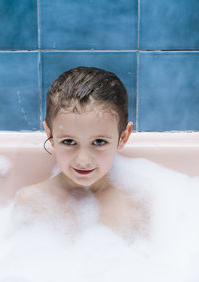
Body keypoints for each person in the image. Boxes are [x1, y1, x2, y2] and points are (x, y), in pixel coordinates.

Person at [16, 66, 148, 238]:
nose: (83, 160)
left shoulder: (134, 208)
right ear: (50, 135)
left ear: (123, 137)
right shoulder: (31, 202)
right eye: (69, 141)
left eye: (99, 142)